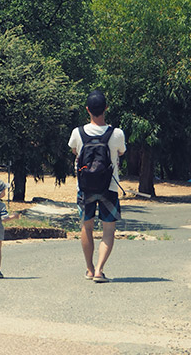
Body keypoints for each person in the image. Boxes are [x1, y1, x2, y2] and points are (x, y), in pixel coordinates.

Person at [68, 89, 126, 283]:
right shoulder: (116, 133)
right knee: (109, 230)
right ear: (106, 109)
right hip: (109, 187)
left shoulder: (78, 132)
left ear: (87, 110)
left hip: (84, 188)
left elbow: (74, 150)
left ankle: (89, 269)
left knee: (87, 227)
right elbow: (122, 152)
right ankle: (100, 270)